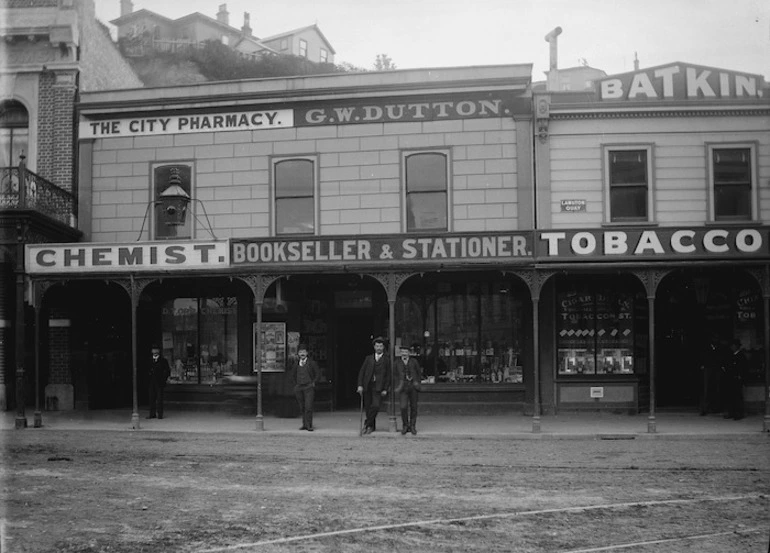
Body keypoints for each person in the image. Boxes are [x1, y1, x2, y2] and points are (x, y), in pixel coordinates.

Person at [356, 336, 391, 434]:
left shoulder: (387, 360)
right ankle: (371, 427)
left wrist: (385, 388)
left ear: (383, 347)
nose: (379, 348)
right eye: (377, 346)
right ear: (374, 347)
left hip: (378, 387)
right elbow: (362, 372)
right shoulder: (368, 358)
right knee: (368, 407)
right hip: (368, 385)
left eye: (381, 346)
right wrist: (360, 385)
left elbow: (388, 375)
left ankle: (367, 424)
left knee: (375, 406)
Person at [289, 345, 319, 431]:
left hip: (308, 387)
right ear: (298, 354)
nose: (302, 354)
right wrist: (296, 385)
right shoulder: (296, 364)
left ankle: (309, 425)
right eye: (300, 352)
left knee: (308, 406)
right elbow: (293, 375)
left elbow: (317, 374)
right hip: (299, 387)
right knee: (302, 406)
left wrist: (313, 383)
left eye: (304, 352)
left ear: (307, 353)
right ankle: (304, 424)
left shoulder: (312, 363)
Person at [394, 346, 422, 435]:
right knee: (403, 407)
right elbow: (394, 375)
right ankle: (405, 425)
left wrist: (417, 383)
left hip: (413, 387)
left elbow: (419, 373)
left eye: (406, 352)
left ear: (409, 353)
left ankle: (412, 426)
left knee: (414, 407)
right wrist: (398, 385)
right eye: (402, 352)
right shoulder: (397, 362)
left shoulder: (414, 362)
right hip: (403, 387)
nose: (404, 353)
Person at [699, 335, 726, 415]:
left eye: (716, 339)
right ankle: (704, 409)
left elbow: (722, 358)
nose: (715, 340)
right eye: (714, 338)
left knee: (717, 389)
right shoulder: (705, 348)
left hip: (717, 370)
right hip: (708, 369)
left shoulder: (720, 348)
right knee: (706, 390)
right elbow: (702, 358)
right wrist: (703, 366)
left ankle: (716, 407)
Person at [723, 338, 748, 420]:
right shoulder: (730, 355)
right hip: (730, 379)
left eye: (733, 346)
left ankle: (739, 413)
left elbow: (743, 368)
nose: (732, 347)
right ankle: (731, 412)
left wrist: (741, 377)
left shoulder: (741, 356)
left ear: (737, 346)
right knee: (730, 396)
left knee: (737, 396)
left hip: (737, 379)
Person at [147, 345, 171, 419]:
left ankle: (160, 414)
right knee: (151, 398)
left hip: (159, 382)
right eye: (154, 350)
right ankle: (152, 414)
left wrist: (163, 379)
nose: (155, 351)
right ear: (152, 351)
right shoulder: (149, 360)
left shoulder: (163, 360)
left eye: (156, 350)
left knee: (159, 398)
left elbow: (167, 371)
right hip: (151, 382)